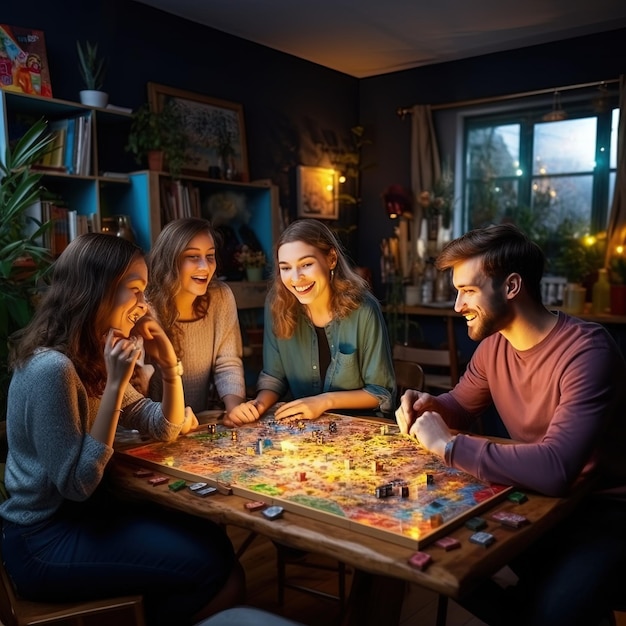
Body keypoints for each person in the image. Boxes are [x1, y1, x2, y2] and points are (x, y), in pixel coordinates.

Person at [0, 233, 243, 626]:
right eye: (134, 291)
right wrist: (115, 385)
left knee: (213, 540)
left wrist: (169, 366)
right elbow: (77, 486)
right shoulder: (53, 370)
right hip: (42, 540)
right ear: (96, 292)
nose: (143, 306)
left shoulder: (93, 352)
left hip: (83, 519)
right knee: (214, 566)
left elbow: (164, 427)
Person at [396, 223, 626, 626]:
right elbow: (461, 406)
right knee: (429, 563)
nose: (456, 305)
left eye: (467, 290)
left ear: (512, 286)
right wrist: (432, 405)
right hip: (538, 503)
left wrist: (448, 446)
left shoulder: (588, 352)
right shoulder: (493, 347)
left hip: (603, 511)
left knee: (554, 613)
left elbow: (556, 469)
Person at [227, 219, 395, 426]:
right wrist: (257, 406)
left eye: (306, 264)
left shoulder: (364, 309)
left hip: (359, 428)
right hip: (303, 431)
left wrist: (323, 402)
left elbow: (380, 393)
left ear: (331, 259)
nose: (296, 278)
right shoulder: (277, 303)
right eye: (286, 268)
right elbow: (274, 377)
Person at [145, 217, 246, 420]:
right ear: (170, 260)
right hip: (151, 425)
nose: (205, 267)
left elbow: (227, 362)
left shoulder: (221, 296)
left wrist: (234, 409)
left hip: (197, 423)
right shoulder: (145, 306)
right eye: (193, 257)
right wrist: (168, 422)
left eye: (210, 256)